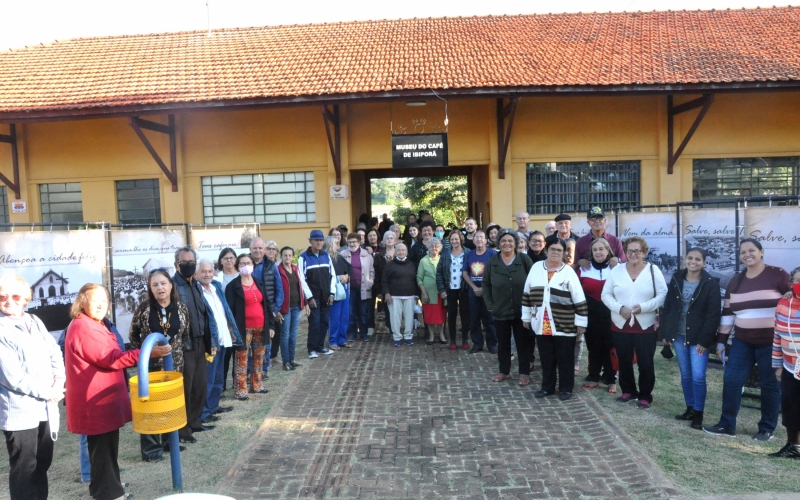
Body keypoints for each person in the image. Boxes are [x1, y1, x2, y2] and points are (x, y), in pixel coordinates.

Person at [66, 283, 171, 500]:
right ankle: (109, 493)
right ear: (82, 301)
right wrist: (148, 352)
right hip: (95, 401)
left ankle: (108, 486)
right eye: (95, 300)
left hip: (102, 398)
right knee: (103, 451)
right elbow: (111, 358)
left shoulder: (95, 323)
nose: (100, 305)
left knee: (106, 449)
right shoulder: (83, 327)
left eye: (104, 301)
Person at [705, 238, 790, 440]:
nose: (747, 255)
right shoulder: (735, 281)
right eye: (743, 252)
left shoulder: (778, 274)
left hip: (772, 342)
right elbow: (728, 313)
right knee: (732, 380)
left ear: (762, 252)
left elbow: (792, 300)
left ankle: (766, 428)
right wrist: (721, 342)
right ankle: (727, 425)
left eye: (751, 250)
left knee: (770, 385)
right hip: (742, 342)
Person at [0, 274, 65, 500]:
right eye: (2, 296)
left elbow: (54, 352)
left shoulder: (35, 321)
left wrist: (59, 380)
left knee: (42, 465)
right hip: (19, 413)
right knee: (24, 470)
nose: (9, 300)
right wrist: (49, 392)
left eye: (15, 295)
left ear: (25, 298)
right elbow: (12, 377)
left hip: (46, 408)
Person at [128, 269, 189, 462]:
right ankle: (151, 450)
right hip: (151, 367)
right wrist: (147, 352)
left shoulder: (181, 308)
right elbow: (133, 334)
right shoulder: (144, 309)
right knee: (151, 406)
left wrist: (175, 351)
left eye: (163, 283)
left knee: (170, 404)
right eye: (155, 285)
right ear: (150, 289)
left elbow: (184, 334)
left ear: (171, 285)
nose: (160, 288)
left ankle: (169, 442)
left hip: (174, 366)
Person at [601, 236, 667, 409]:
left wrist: (644, 307)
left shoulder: (653, 270)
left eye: (637, 251)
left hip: (644, 325)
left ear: (644, 252)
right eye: (630, 250)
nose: (633, 254)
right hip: (620, 323)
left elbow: (662, 295)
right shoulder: (617, 271)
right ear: (625, 252)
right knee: (624, 359)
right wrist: (618, 307)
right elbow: (605, 295)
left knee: (645, 361)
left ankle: (645, 395)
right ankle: (628, 391)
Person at [661, 247, 721, 430]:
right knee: (685, 374)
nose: (692, 262)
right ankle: (690, 409)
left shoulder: (710, 283)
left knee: (698, 376)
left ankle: (699, 414)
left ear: (704, 262)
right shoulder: (676, 278)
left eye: (697, 259)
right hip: (678, 335)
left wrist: (705, 340)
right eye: (690, 258)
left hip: (698, 338)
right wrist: (666, 332)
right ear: (685, 259)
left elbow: (713, 315)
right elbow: (669, 307)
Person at [523, 239, 588, 400]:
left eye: (560, 250)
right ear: (547, 249)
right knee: (547, 358)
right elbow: (526, 293)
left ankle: (566, 388)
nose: (556, 252)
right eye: (553, 249)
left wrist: (581, 322)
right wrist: (526, 316)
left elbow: (579, 298)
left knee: (565, 358)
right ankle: (547, 388)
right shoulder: (536, 268)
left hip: (564, 323)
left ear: (564, 253)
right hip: (541, 323)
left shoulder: (569, 272)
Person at [172, 247, 214, 443]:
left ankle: (195, 422)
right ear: (176, 265)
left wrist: (209, 340)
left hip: (199, 342)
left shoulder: (196, 285)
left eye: (192, 262)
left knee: (199, 386)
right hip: (184, 346)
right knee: (185, 389)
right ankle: (182, 430)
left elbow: (204, 314)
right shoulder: (173, 286)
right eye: (184, 262)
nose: (189, 265)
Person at [484, 230, 534, 386]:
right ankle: (504, 371)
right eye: (503, 241)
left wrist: (532, 305)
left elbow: (534, 281)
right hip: (500, 309)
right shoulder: (492, 262)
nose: (507, 243)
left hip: (522, 310)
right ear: (498, 243)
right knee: (503, 343)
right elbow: (485, 285)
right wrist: (491, 305)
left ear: (516, 243)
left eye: (510, 241)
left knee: (523, 343)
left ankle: (524, 373)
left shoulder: (524, 259)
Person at [197, 260, 243, 426]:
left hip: (224, 338)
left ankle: (214, 406)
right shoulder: (197, 291)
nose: (207, 274)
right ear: (196, 274)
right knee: (208, 378)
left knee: (218, 377)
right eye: (203, 271)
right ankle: (204, 412)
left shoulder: (216, 287)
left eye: (210, 271)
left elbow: (225, 312)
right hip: (212, 342)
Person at [225, 253, 275, 400]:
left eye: (248, 263)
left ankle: (257, 386)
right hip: (243, 329)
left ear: (253, 264)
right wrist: (232, 330)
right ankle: (241, 390)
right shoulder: (232, 286)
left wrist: (270, 326)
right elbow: (229, 310)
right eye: (242, 264)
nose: (245, 266)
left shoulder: (259, 282)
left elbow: (267, 306)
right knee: (242, 360)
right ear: (237, 266)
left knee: (259, 358)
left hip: (261, 327)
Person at [577, 238, 618, 394]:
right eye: (595, 250)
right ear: (591, 252)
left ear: (608, 251)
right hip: (591, 315)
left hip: (611, 315)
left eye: (602, 249)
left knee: (610, 347)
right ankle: (594, 377)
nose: (598, 252)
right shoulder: (584, 269)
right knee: (593, 347)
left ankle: (611, 379)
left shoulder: (617, 268)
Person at [770, 265, 800, 458]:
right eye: (797, 280)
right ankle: (793, 447)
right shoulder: (783, 302)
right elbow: (777, 335)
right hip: (790, 366)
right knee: (790, 406)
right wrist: (778, 366)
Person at [298, 229, 336, 359]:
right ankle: (312, 349)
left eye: (321, 240)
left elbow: (333, 275)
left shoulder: (326, 255)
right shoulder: (303, 257)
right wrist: (309, 297)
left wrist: (332, 293)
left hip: (326, 295)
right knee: (314, 322)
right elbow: (301, 279)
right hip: (313, 297)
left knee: (324, 321)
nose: (319, 242)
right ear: (310, 241)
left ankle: (320, 346)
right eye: (316, 240)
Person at [250, 237, 283, 375]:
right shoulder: (245, 264)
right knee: (250, 344)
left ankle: (263, 371)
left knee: (266, 342)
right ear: (250, 250)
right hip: (250, 311)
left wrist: (275, 311)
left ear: (264, 250)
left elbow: (279, 290)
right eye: (254, 248)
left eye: (260, 248)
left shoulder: (271, 266)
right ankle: (250, 371)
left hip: (267, 311)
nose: (257, 250)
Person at [462, 230, 497, 354]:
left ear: (486, 240)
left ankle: (492, 345)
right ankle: (477, 344)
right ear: (473, 240)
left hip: (488, 293)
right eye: (477, 237)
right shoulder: (470, 254)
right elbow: (465, 272)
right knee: (474, 319)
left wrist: (484, 288)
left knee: (490, 320)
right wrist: (474, 288)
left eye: (482, 237)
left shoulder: (492, 254)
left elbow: (495, 272)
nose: (479, 240)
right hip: (473, 293)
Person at [277, 246, 311, 371]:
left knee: (293, 334)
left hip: (297, 306)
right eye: (285, 255)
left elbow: (301, 287)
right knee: (285, 334)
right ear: (281, 256)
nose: (287, 257)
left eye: (290, 255)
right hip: (285, 308)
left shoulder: (296, 269)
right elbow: (276, 290)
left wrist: (306, 302)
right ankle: (285, 361)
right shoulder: (278, 270)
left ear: (293, 257)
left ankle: (292, 359)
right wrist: (277, 309)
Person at [437, 230, 472, 350]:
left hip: (464, 288)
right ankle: (452, 340)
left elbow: (472, 270)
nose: (454, 241)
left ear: (461, 239)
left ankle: (465, 339)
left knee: (465, 315)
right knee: (451, 315)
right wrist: (442, 289)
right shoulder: (445, 254)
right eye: (452, 239)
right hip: (450, 289)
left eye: (456, 239)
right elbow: (439, 272)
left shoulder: (468, 252)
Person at [382, 243, 418, 346]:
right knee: (395, 318)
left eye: (403, 250)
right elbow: (384, 280)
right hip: (394, 296)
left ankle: (408, 336)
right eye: (399, 250)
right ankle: (396, 337)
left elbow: (415, 280)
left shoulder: (411, 264)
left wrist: (416, 295)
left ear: (406, 252)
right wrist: (387, 293)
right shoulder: (389, 265)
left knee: (409, 318)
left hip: (410, 295)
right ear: (395, 252)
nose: (401, 252)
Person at [342, 233, 374, 343]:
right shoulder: (343, 254)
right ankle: (352, 333)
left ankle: (364, 333)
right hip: (349, 289)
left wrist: (370, 283)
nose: (352, 244)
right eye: (350, 242)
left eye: (354, 242)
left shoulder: (366, 254)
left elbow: (371, 270)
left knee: (363, 312)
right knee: (350, 313)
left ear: (359, 242)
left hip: (363, 288)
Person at [214, 248, 238, 390]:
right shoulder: (217, 277)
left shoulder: (242, 275)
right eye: (226, 258)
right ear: (221, 261)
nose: (229, 260)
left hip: (240, 320)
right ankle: (221, 386)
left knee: (239, 355)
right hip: (224, 323)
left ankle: (238, 384)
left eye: (231, 257)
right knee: (225, 356)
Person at [418, 237, 446, 344]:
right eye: (432, 246)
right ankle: (431, 335)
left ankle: (442, 334)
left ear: (440, 248)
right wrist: (424, 293)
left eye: (436, 246)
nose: (434, 248)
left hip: (441, 293)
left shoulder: (443, 259)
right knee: (429, 315)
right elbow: (419, 278)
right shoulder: (423, 261)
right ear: (428, 247)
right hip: (428, 293)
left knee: (441, 314)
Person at [326, 235, 352, 349]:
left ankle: (342, 339)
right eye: (336, 243)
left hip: (343, 287)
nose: (338, 245)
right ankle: (333, 341)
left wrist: (346, 276)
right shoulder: (325, 258)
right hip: (333, 288)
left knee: (344, 315)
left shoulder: (339, 256)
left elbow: (350, 268)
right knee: (335, 316)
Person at [374, 230, 398, 335]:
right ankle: (390, 328)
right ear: (383, 241)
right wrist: (379, 290)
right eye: (387, 238)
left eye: (391, 238)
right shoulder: (379, 256)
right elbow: (377, 274)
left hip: (399, 286)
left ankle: (398, 329)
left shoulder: (400, 252)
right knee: (388, 309)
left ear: (395, 240)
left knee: (398, 310)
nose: (389, 240)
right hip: (385, 287)